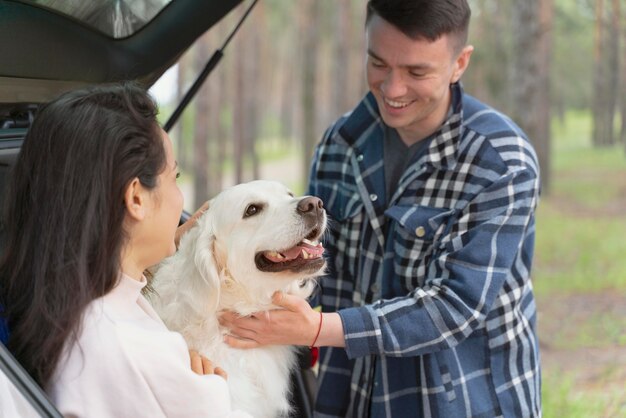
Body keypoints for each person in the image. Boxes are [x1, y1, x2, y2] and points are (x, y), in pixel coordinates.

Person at [219, 0, 542, 417]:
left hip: (463, 398)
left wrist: (318, 329)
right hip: (352, 393)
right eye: (378, 63)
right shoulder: (341, 142)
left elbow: (454, 308)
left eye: (416, 72)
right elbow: (315, 264)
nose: (392, 89)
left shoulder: (500, 161)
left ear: (460, 62)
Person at [0, 83, 250, 417]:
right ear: (135, 197)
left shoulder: (58, 307)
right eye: (174, 177)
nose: (181, 199)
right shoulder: (128, 347)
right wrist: (213, 397)